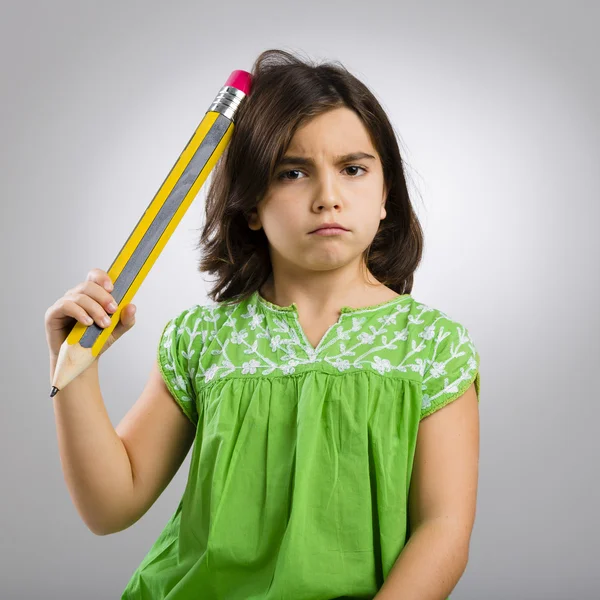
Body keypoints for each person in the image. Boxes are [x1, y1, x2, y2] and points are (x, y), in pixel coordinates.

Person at [45, 48, 481, 599]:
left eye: (353, 169)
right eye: (292, 172)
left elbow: (443, 531)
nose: (328, 198)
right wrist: (73, 368)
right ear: (251, 205)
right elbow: (110, 507)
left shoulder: (432, 346)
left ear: (386, 195)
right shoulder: (202, 340)